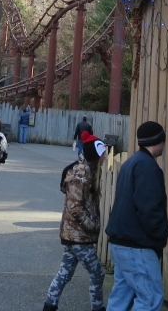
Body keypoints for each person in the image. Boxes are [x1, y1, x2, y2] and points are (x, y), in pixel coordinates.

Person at [105, 120, 168, 311]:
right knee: (150, 298)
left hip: (119, 242)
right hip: (137, 245)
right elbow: (149, 208)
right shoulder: (147, 167)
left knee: (121, 297)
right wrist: (161, 234)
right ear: (158, 140)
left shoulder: (130, 163)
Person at [42, 131, 109, 311]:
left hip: (74, 234)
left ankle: (49, 305)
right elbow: (75, 207)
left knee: (65, 272)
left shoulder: (90, 169)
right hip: (78, 235)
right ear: (95, 152)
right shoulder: (80, 173)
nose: (105, 155)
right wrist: (92, 225)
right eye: (102, 151)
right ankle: (98, 308)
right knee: (97, 273)